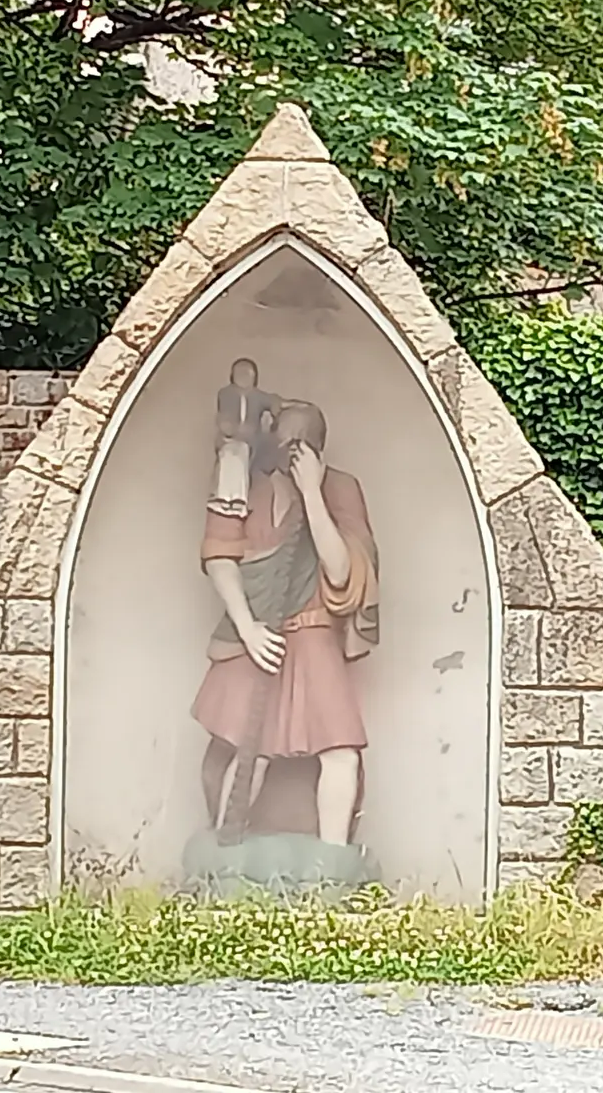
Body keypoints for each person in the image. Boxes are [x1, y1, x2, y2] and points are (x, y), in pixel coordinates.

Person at [193, 400, 379, 847]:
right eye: (284, 442)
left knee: (341, 752)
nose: (290, 452)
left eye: (302, 445)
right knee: (246, 750)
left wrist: (312, 494)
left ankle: (335, 863)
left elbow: (341, 572)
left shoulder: (340, 489)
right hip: (256, 634)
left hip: (312, 631)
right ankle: (223, 851)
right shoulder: (241, 486)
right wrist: (248, 629)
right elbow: (221, 559)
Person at [207, 357, 282, 519]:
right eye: (239, 373)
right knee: (227, 455)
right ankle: (224, 497)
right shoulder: (226, 393)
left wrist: (277, 410)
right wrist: (228, 427)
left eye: (247, 373)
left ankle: (238, 499)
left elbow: (274, 402)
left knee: (240, 457)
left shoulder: (258, 396)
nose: (243, 376)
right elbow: (223, 417)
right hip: (229, 437)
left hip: (248, 440)